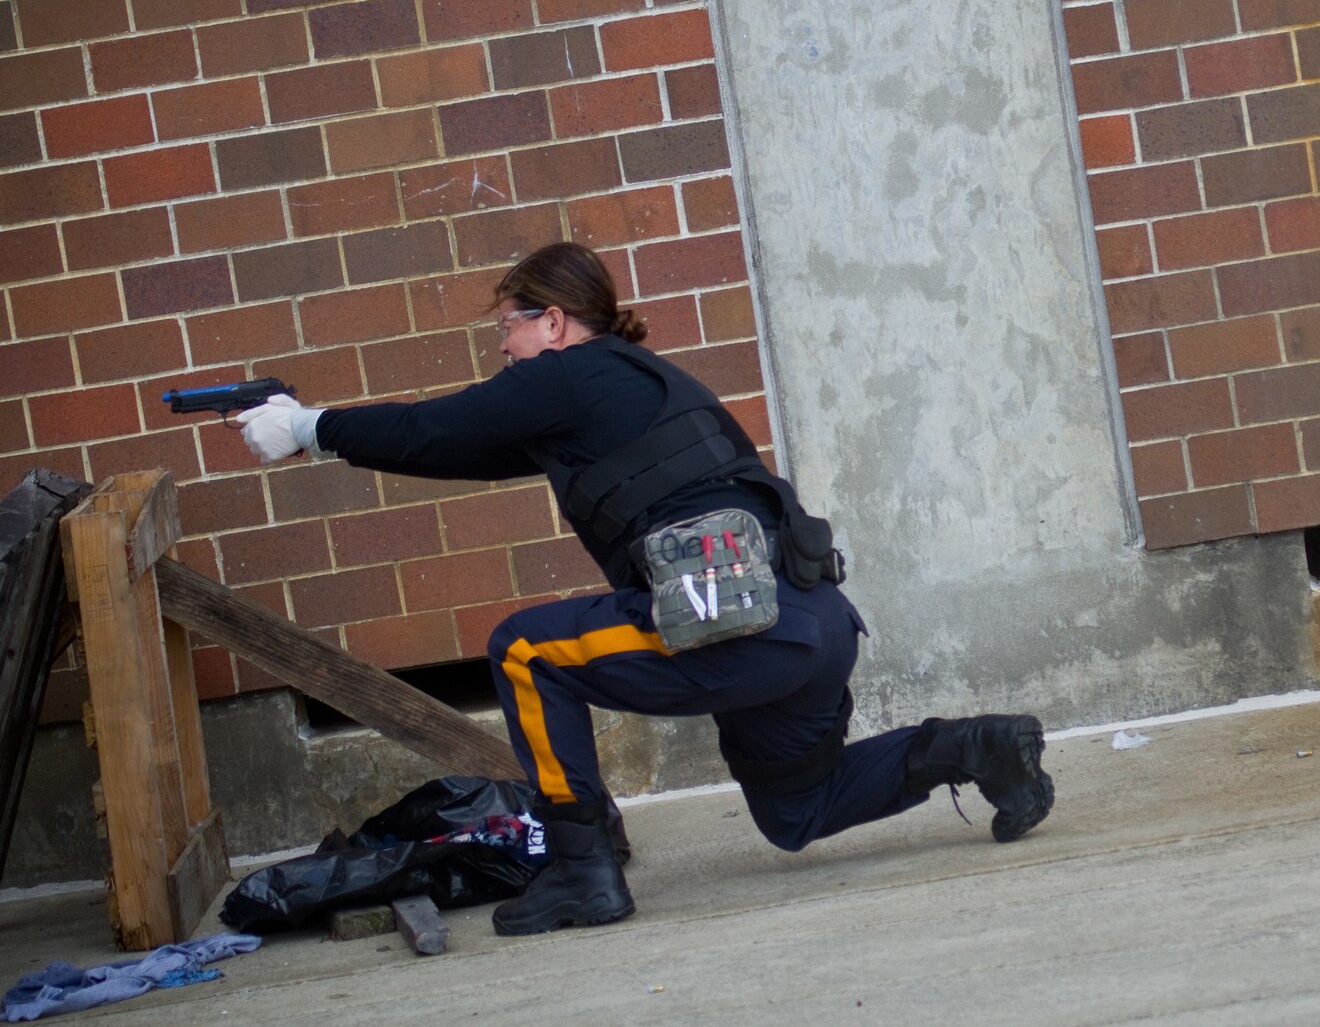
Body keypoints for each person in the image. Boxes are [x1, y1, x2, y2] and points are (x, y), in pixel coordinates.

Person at [236, 241, 1053, 935]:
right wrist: (323, 437)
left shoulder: (567, 374)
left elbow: (434, 424)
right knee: (796, 811)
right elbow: (457, 450)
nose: (503, 349)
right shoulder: (640, 385)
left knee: (523, 650)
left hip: (738, 628)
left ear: (552, 321)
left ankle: (583, 872)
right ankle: (980, 748)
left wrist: (308, 428)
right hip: (813, 624)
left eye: (508, 328)